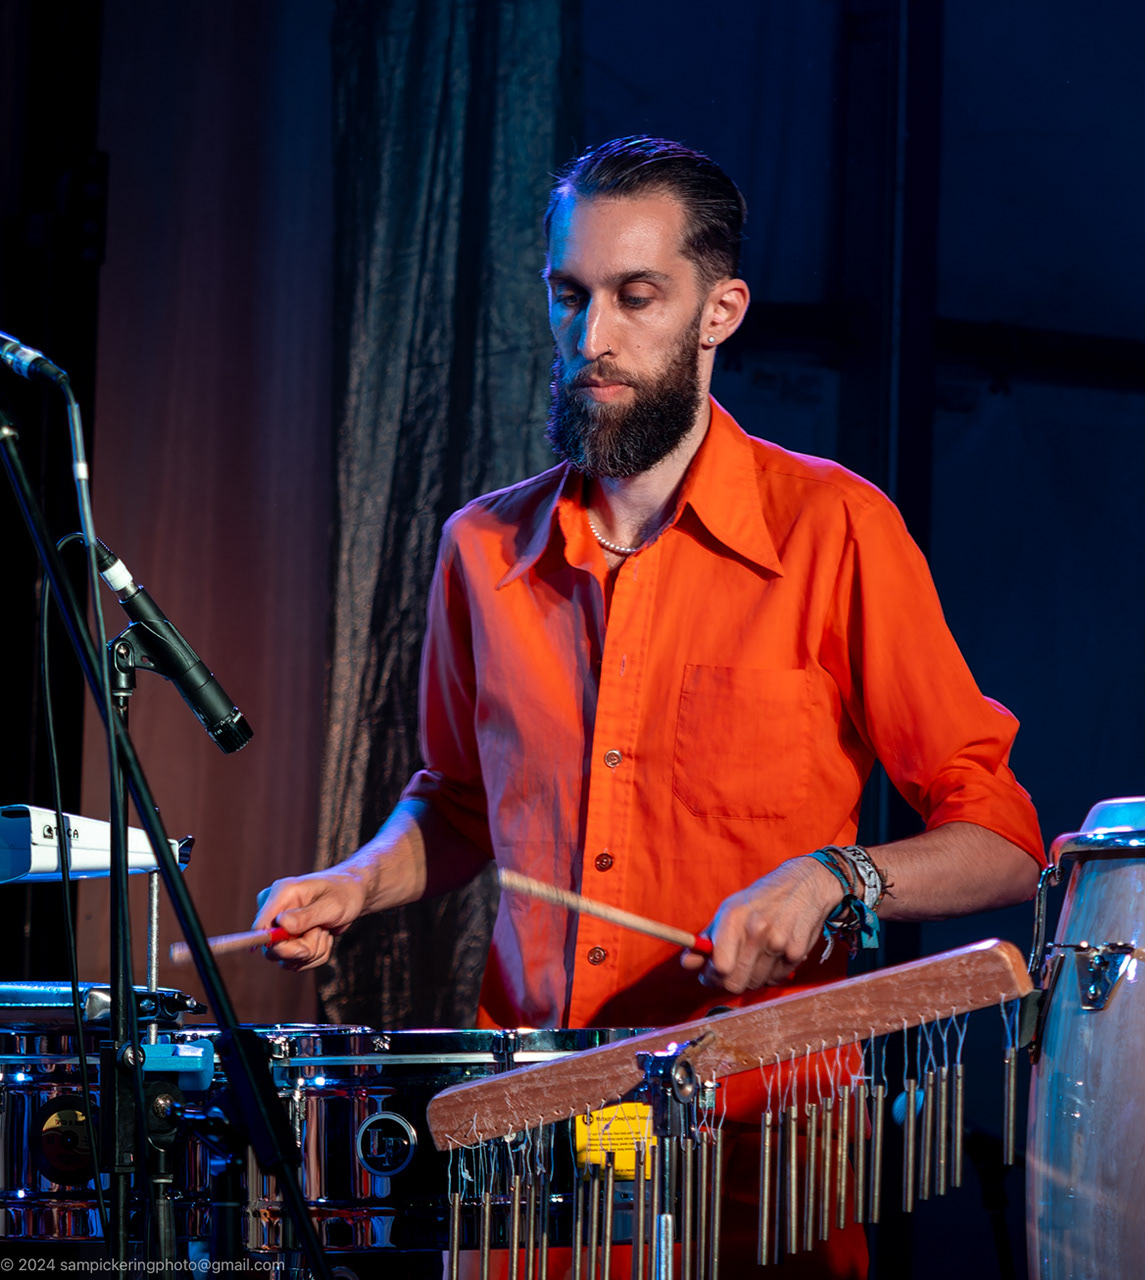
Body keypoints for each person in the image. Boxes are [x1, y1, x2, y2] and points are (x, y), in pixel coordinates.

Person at [252, 136, 1043, 1274]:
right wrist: (361, 879)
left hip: (755, 1154)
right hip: (527, 1145)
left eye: (635, 297)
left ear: (720, 311)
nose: (592, 339)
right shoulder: (480, 548)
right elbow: (461, 802)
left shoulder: (837, 530)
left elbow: (1004, 841)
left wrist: (837, 876)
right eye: (569, 295)